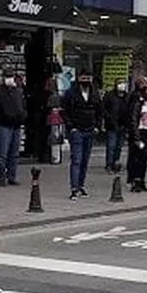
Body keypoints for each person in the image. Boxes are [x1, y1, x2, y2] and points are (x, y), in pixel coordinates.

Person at [62, 70, 103, 199]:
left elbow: (100, 110)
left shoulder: (95, 93)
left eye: (88, 78)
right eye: (84, 78)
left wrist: (97, 126)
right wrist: (71, 127)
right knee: (77, 160)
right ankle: (74, 188)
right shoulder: (70, 93)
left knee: (85, 161)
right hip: (77, 130)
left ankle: (81, 186)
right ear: (79, 78)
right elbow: (64, 110)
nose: (86, 81)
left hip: (90, 130)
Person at [0, 70, 26, 186]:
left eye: (11, 76)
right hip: (3, 125)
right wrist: (1, 117)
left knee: (14, 153)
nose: (9, 79)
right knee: (2, 153)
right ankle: (1, 177)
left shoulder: (17, 91)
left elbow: (22, 105)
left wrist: (22, 116)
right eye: (7, 76)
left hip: (16, 125)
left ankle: (11, 176)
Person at [128, 81, 147, 193]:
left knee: (145, 158)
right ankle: (135, 181)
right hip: (141, 133)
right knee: (138, 158)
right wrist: (136, 137)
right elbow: (133, 120)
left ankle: (142, 181)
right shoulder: (138, 105)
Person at [102, 78, 128, 174]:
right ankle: (109, 164)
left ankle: (115, 164)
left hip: (123, 124)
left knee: (119, 146)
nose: (122, 85)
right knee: (111, 146)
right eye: (119, 83)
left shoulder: (127, 96)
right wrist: (108, 118)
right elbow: (103, 108)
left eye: (123, 83)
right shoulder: (109, 95)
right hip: (112, 124)